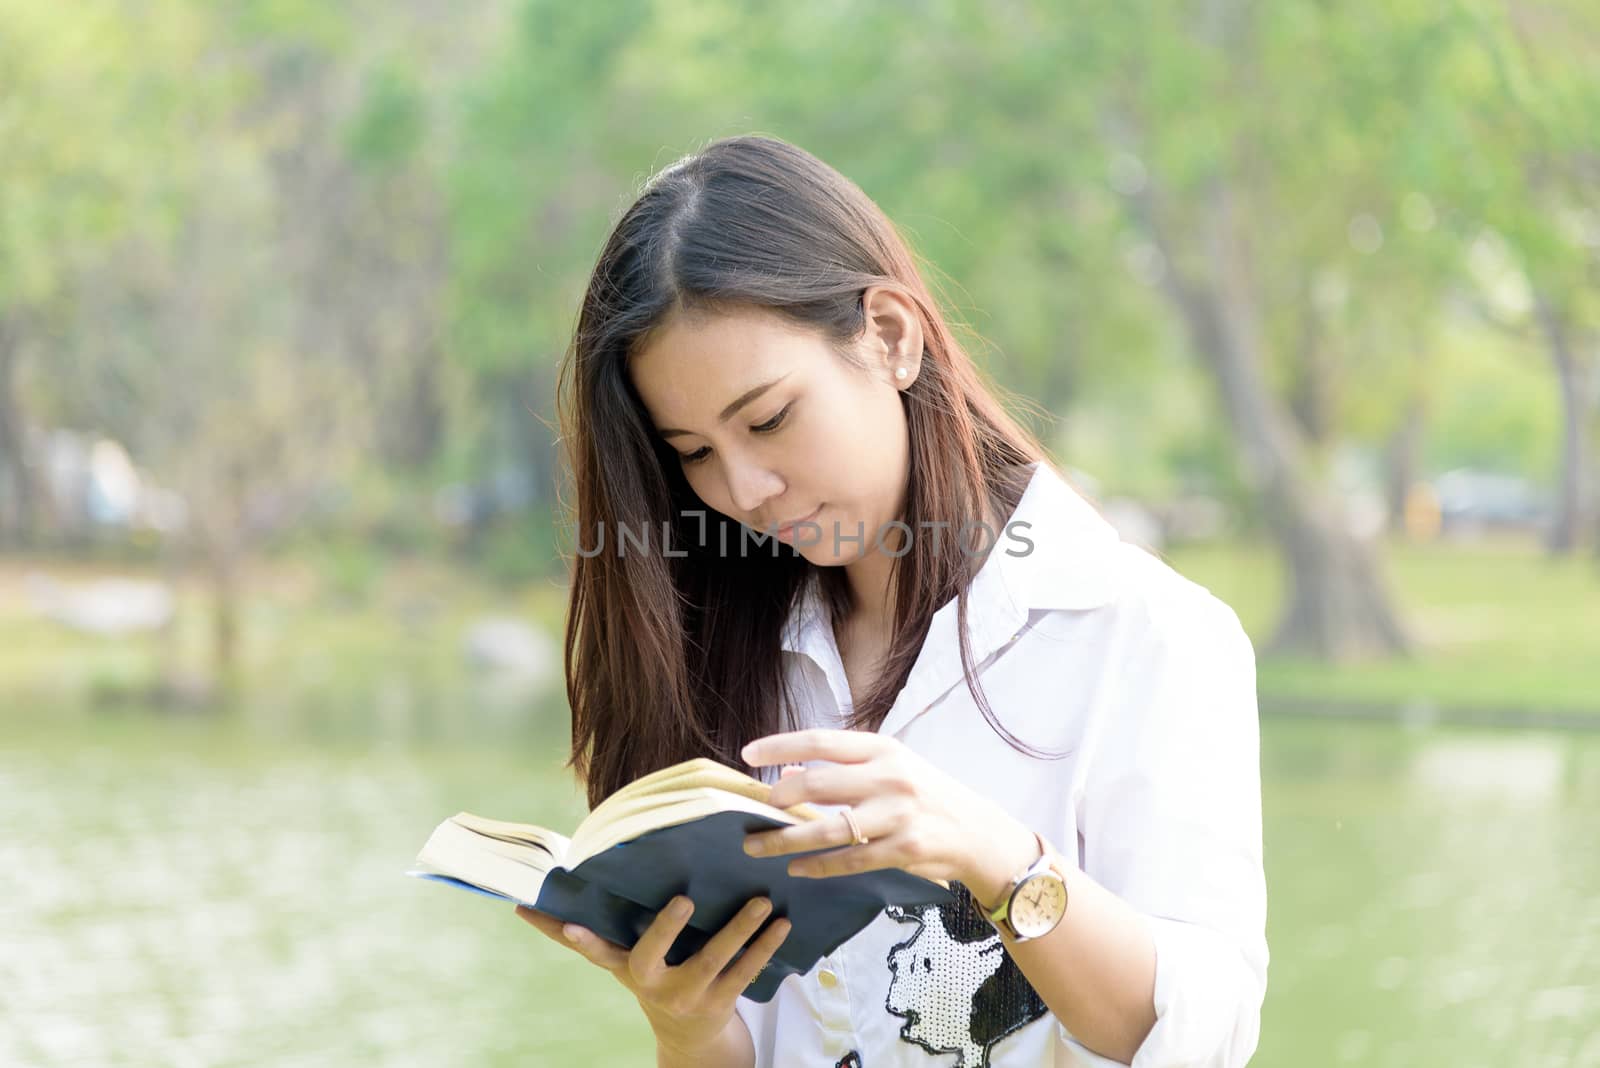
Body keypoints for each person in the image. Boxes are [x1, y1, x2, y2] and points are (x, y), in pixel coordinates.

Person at [514, 134, 1267, 1068]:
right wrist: (688, 1025)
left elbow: (1203, 1035)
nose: (744, 489)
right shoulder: (733, 646)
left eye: (769, 419)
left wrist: (997, 857)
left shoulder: (1142, 632)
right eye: (695, 453)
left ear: (891, 338)